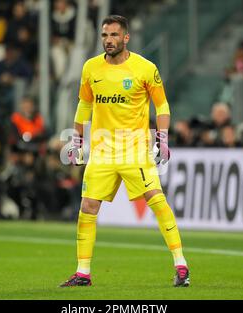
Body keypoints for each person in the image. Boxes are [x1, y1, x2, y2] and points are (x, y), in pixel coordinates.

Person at [60, 15, 189, 288]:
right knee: (87, 207)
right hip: (102, 152)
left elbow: (162, 106)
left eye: (114, 35)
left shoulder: (145, 68)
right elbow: (84, 107)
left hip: (134, 151)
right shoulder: (91, 68)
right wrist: (77, 140)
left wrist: (162, 138)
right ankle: (83, 272)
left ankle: (181, 265)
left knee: (156, 200)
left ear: (126, 38)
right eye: (105, 35)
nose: (108, 40)